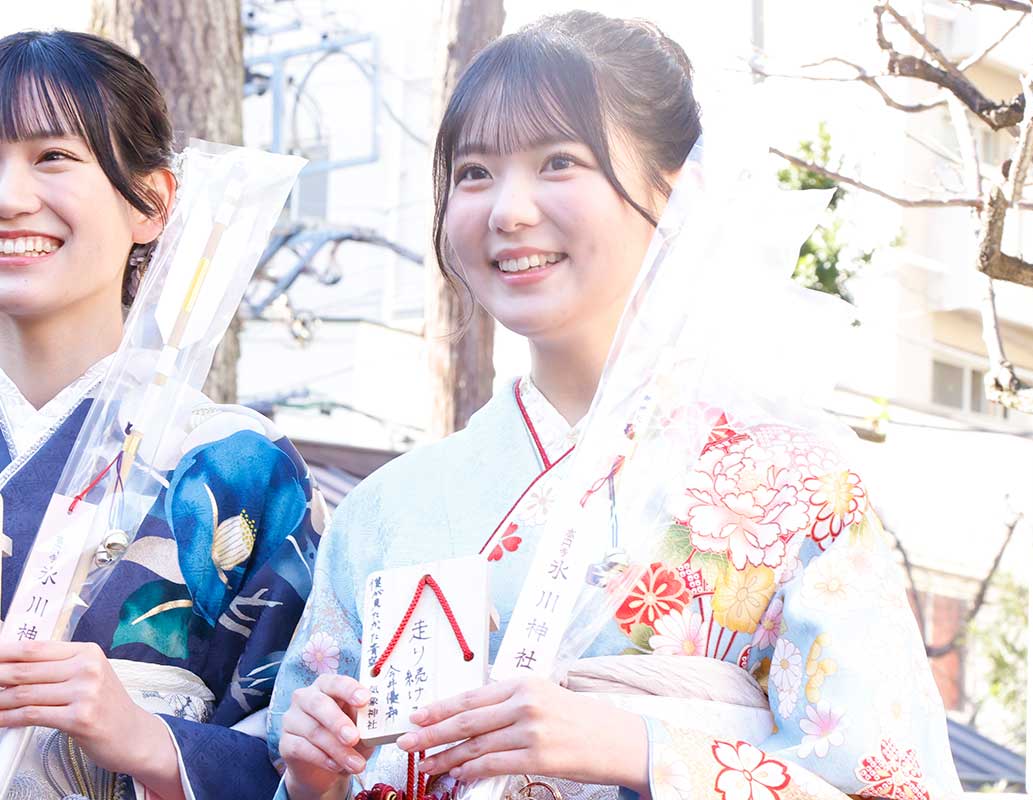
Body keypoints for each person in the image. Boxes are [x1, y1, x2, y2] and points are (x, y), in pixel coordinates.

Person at [270, 11, 961, 800]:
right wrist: (313, 779)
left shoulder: (796, 491)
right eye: (475, 172)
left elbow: (884, 784)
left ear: (678, 193)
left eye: (559, 162)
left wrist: (639, 747)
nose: (508, 211)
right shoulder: (384, 512)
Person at [0, 30, 324, 800]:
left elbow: (307, 764)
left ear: (150, 201)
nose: (9, 196)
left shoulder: (235, 464)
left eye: (53, 156)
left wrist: (150, 742)